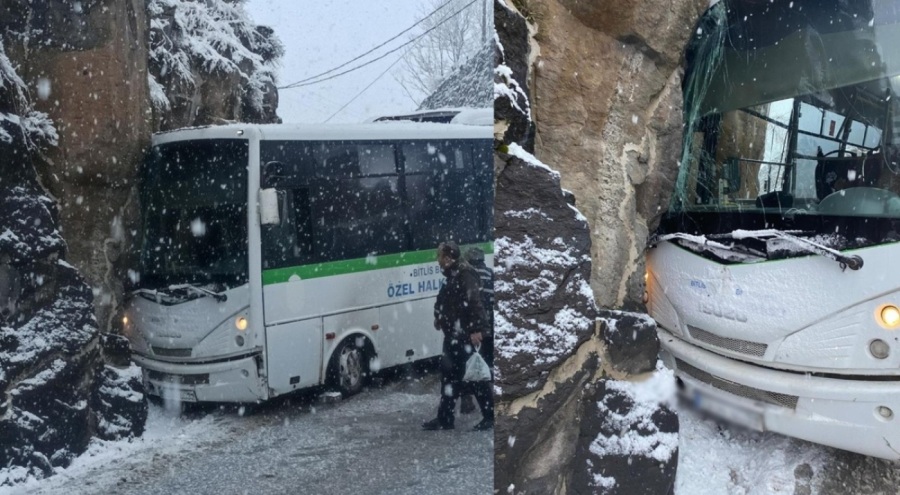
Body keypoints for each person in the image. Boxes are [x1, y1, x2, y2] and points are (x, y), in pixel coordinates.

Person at [422, 241, 493, 431]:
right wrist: (439, 317)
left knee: (475, 376)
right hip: (453, 335)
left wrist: (477, 329)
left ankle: (489, 416)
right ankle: (445, 418)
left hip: (465, 336)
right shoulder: (452, 275)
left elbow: (474, 302)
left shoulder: (465, 273)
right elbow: (443, 300)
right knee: (449, 377)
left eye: (439, 257)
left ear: (447, 257)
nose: (438, 261)